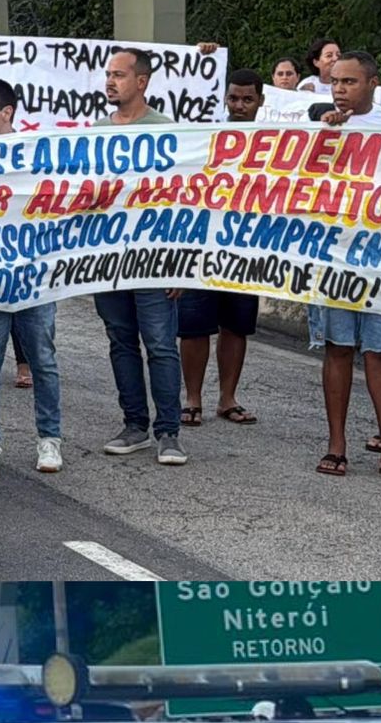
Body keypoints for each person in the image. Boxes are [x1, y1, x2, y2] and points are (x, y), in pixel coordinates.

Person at [303, 51, 381, 482]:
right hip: (334, 257)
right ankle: (337, 444)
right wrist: (321, 129)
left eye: (349, 83)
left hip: (380, 258)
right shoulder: (320, 127)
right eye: (335, 83)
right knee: (338, 348)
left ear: (372, 84)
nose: (341, 90)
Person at [90, 49, 185, 465]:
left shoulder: (166, 131)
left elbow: (183, 201)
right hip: (108, 260)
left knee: (161, 345)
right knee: (121, 342)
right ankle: (134, 425)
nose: (110, 81)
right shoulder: (95, 132)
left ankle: (169, 432)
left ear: (142, 81)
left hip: (154, 259)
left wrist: (181, 260)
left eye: (119, 75)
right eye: (108, 74)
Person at [0, 78, 62, 476]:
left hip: (35, 280)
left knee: (43, 363)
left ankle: (50, 440)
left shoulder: (37, 155)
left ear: (6, 113)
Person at [174, 69, 264, 431]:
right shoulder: (206, 137)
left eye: (247, 99)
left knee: (236, 325)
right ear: (224, 99)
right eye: (233, 98)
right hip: (203, 243)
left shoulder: (277, 140)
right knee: (194, 326)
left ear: (261, 101)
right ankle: (192, 399)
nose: (239, 105)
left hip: (248, 247)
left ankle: (228, 398)